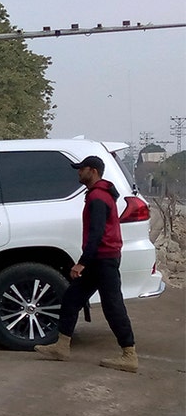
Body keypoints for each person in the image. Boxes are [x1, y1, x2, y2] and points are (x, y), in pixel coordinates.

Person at [35, 155, 138, 372]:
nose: (78, 173)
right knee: (72, 298)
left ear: (92, 171)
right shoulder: (98, 194)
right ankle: (62, 346)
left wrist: (82, 263)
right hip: (100, 258)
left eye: (81, 169)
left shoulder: (98, 197)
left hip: (104, 259)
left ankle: (129, 354)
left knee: (113, 306)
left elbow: (96, 234)